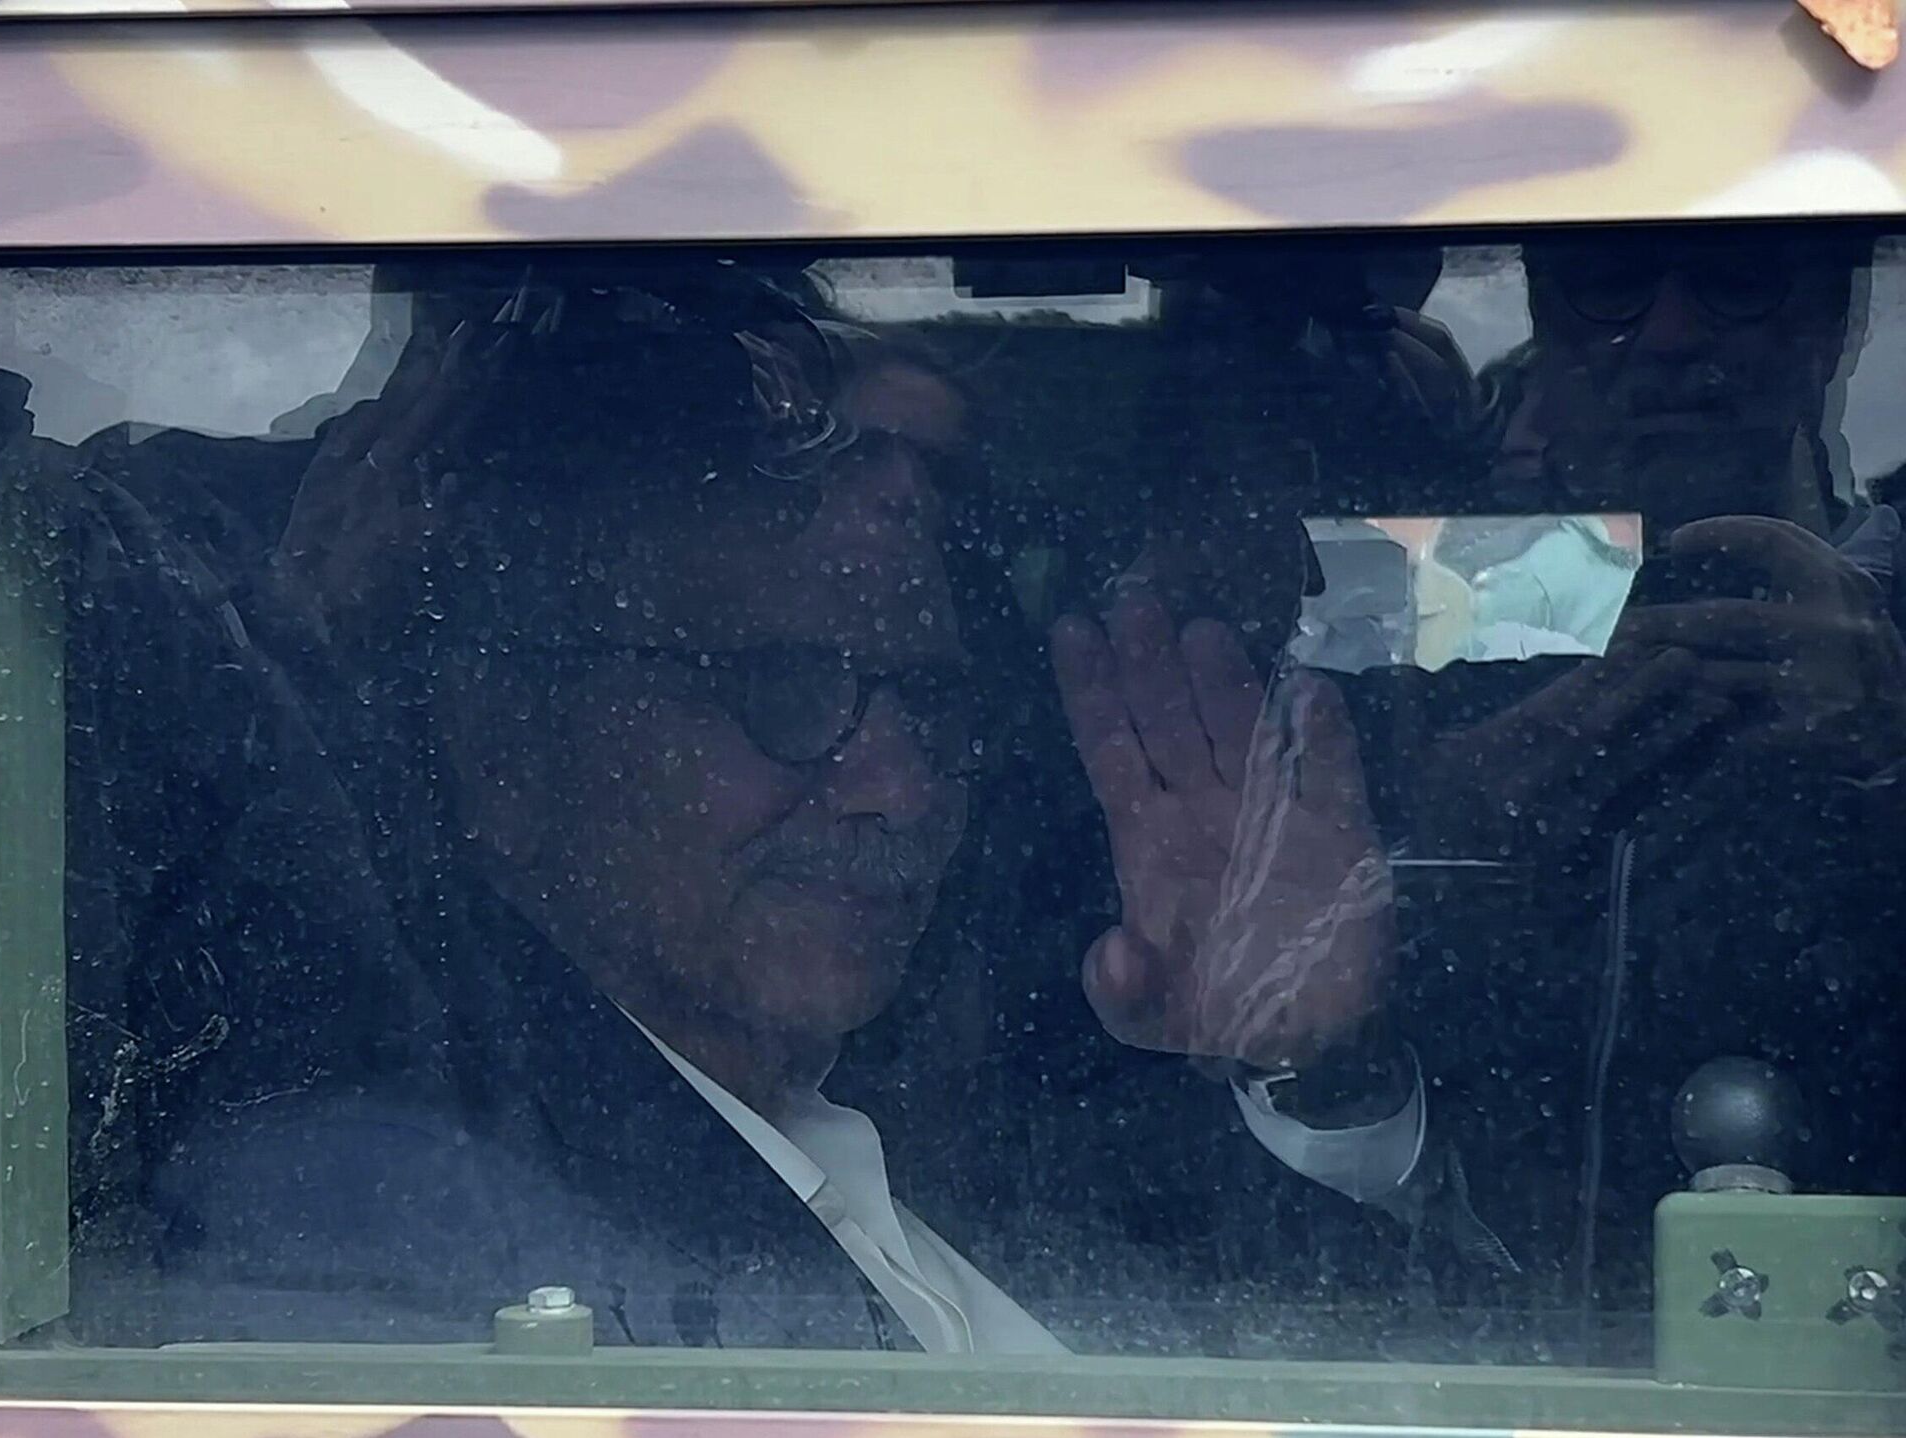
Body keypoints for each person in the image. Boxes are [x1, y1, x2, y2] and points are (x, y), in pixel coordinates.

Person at [127, 259, 1409, 1355]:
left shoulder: (954, 1102)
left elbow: (1415, 1358)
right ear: (501, 740)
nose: (901, 787)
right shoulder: (399, 1225)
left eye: (929, 700)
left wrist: (1305, 1065)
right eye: (781, 689)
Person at [1067, 229, 1906, 1360]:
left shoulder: (1890, 629)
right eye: (1609, 277)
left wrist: (1888, 760)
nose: (1672, 330)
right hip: (1480, 1349)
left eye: (1740, 275)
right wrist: (1440, 851)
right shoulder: (1403, 593)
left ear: (1836, 313)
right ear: (1543, 312)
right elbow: (1230, 989)